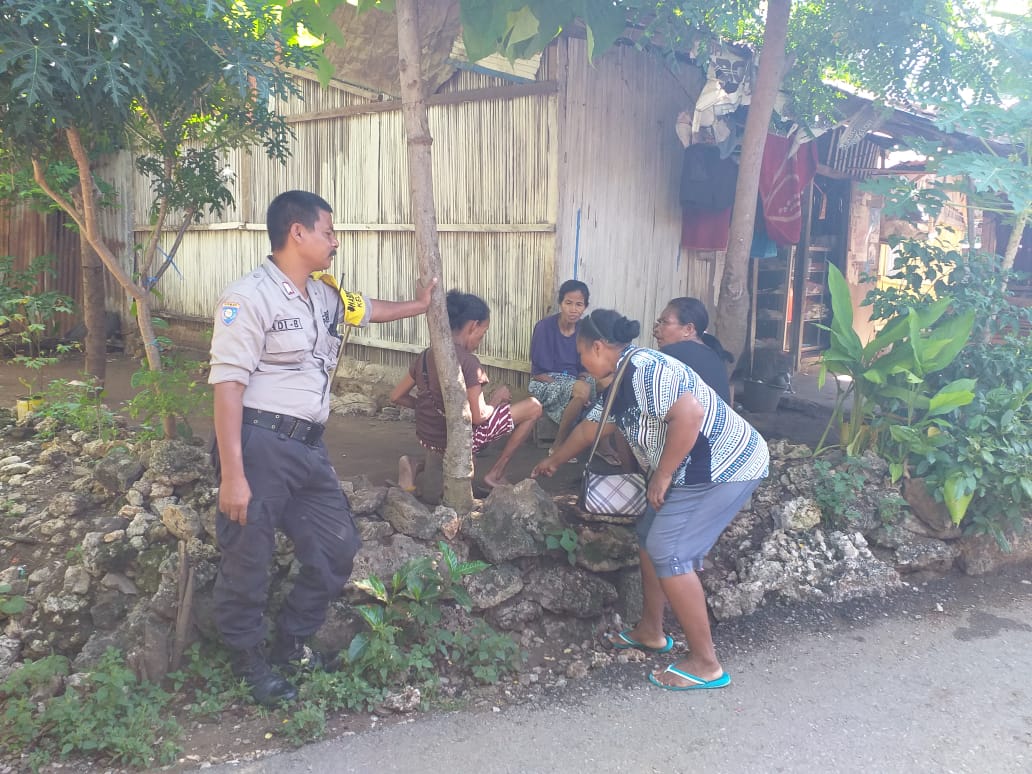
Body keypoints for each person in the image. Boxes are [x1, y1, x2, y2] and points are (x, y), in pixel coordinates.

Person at [208, 190, 436, 706]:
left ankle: (291, 643)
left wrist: (421, 305)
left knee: (338, 548)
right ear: (298, 232)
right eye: (328, 231)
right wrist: (232, 473)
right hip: (259, 442)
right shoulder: (248, 297)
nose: (336, 241)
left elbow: (369, 309)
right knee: (249, 557)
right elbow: (227, 387)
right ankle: (247, 661)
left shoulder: (325, 294)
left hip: (309, 448)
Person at [532, 309, 769, 691]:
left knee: (669, 552)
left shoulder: (645, 369)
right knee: (648, 537)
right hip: (691, 470)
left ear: (597, 346)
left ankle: (706, 663)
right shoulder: (619, 380)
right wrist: (553, 461)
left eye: (581, 354)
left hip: (724, 467)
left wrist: (663, 474)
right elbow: (592, 428)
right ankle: (651, 631)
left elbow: (689, 417)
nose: (580, 363)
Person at [390, 290, 542, 491]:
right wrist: (496, 400)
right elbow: (478, 418)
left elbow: (396, 396)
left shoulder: (426, 355)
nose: (482, 339)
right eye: (483, 332)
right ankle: (495, 474)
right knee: (534, 407)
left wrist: (424, 406)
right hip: (454, 439)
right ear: (473, 326)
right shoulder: (469, 363)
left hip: (428, 437)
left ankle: (414, 462)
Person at [528, 280, 595, 453]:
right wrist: (569, 387)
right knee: (581, 391)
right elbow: (538, 373)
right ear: (560, 303)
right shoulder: (544, 328)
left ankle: (599, 444)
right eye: (568, 303)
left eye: (579, 304)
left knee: (598, 385)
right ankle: (558, 446)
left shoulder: (584, 331)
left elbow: (584, 369)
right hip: (545, 382)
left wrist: (578, 382)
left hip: (575, 382)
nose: (573, 309)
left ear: (585, 307)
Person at [652, 297, 734, 403]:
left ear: (688, 329)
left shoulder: (672, 354)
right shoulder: (714, 354)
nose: (656, 330)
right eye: (659, 322)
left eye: (664, 322)